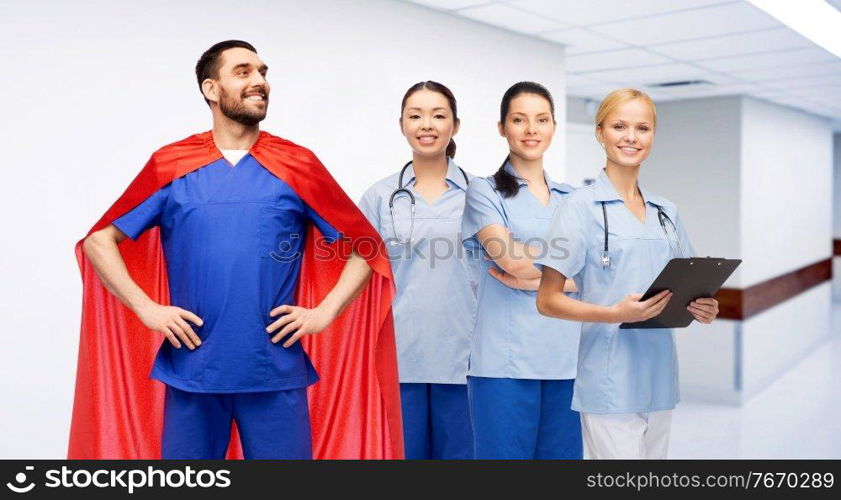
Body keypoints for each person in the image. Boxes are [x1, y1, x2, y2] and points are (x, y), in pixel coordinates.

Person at [68, 40, 403, 459]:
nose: (259, 81)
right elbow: (100, 241)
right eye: (243, 72)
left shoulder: (298, 165)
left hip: (274, 371)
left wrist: (326, 312)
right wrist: (145, 307)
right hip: (192, 370)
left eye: (263, 72)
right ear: (211, 89)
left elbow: (367, 245)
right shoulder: (172, 165)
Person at [535, 88, 720, 459]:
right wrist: (615, 314)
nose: (631, 137)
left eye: (643, 128)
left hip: (659, 377)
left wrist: (705, 308)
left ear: (653, 136)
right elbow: (547, 300)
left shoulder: (666, 211)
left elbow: (690, 284)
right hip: (609, 381)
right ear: (600, 132)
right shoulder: (578, 208)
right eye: (620, 126)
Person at [461, 81, 582, 459]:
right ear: (502, 127)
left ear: (553, 127)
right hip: (504, 367)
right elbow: (508, 258)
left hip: (566, 363)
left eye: (541, 119)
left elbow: (595, 275)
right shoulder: (484, 191)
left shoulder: (574, 199)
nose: (531, 130)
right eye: (519, 119)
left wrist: (534, 278)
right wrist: (566, 279)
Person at [359, 81, 476, 459]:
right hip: (399, 358)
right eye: (416, 115)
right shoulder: (379, 197)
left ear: (454, 125)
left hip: (466, 360)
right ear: (402, 124)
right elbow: (357, 273)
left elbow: (505, 267)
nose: (427, 124)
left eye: (438, 115)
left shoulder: (482, 195)